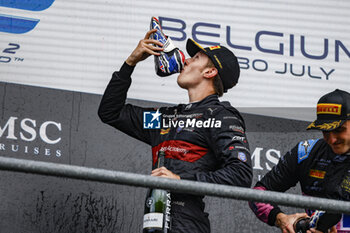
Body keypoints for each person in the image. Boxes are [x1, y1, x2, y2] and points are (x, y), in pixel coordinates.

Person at [97, 26, 252, 233]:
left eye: (195, 58)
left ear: (210, 71)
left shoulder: (221, 116)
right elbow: (111, 112)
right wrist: (130, 63)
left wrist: (180, 181)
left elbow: (240, 174)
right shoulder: (167, 118)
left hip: (188, 224)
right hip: (154, 221)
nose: (185, 61)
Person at [249, 89, 350, 233]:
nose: (332, 139)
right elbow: (257, 194)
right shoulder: (306, 151)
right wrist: (282, 219)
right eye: (325, 131)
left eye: (339, 130)